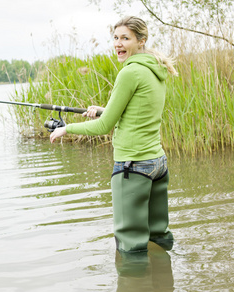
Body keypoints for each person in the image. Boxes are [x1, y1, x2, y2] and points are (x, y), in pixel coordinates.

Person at [49, 16, 177, 254]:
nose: (118, 44)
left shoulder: (129, 72)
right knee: (159, 234)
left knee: (130, 246)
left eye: (125, 38)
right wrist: (103, 110)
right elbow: (138, 111)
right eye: (116, 38)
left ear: (141, 41)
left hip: (133, 167)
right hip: (157, 163)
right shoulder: (156, 69)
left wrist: (66, 129)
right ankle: (165, 284)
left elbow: (103, 127)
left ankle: (135, 286)